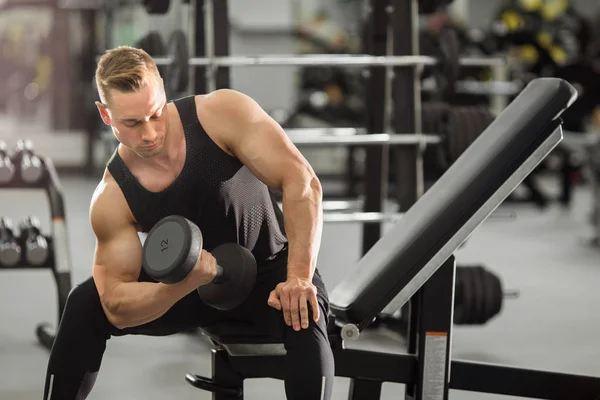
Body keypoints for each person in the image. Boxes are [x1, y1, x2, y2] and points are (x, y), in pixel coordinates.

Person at [42, 46, 335, 400]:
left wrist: (299, 276)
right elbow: (115, 304)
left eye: (155, 114)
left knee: (303, 310)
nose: (149, 134)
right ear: (106, 115)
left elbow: (302, 182)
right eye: (132, 123)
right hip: (191, 287)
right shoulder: (113, 194)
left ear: (163, 90)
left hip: (269, 274)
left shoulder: (221, 114)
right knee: (85, 304)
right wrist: (180, 286)